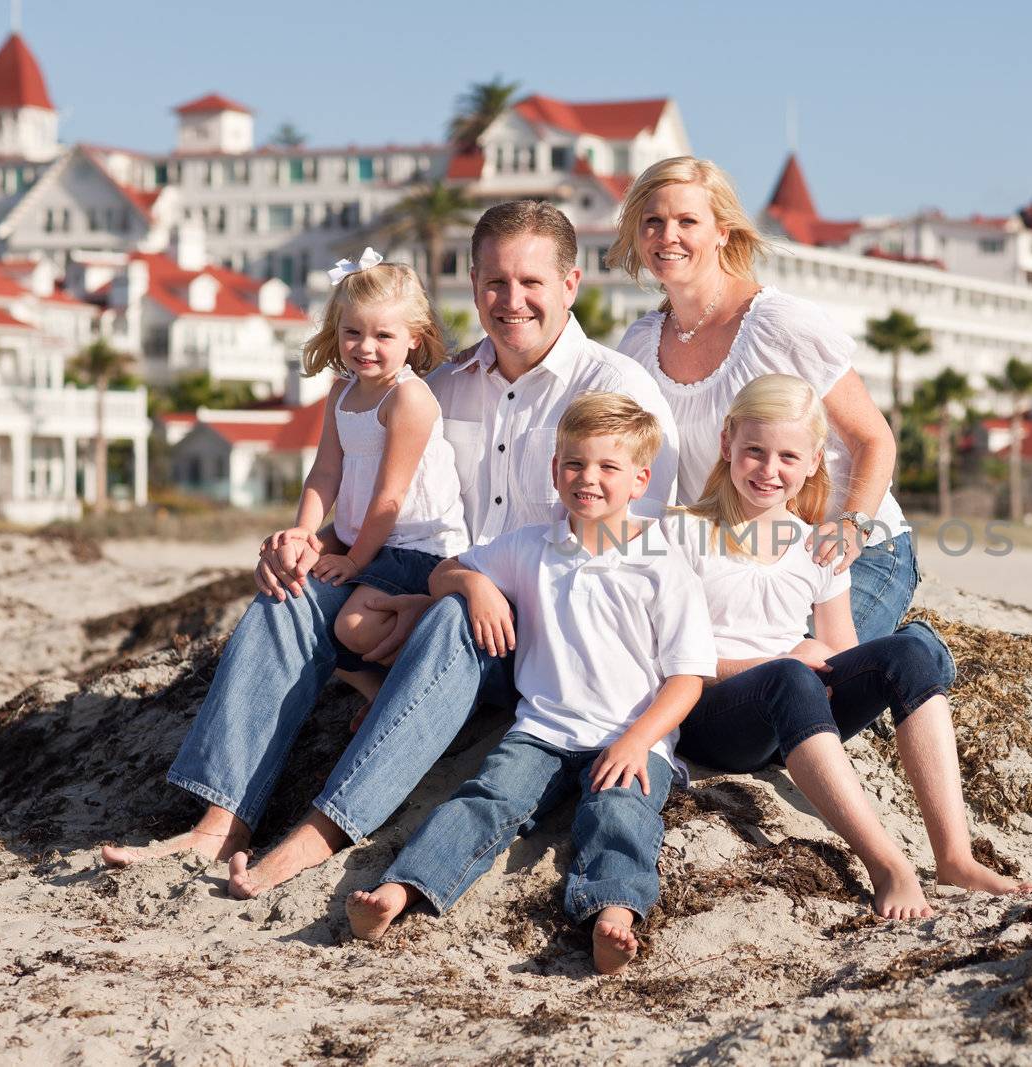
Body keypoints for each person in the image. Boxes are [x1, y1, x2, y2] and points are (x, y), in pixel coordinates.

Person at [101, 201, 678, 873]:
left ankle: (320, 830)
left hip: (533, 636)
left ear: (570, 284)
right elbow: (382, 501)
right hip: (428, 590)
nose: (510, 300)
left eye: (531, 283)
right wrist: (306, 541)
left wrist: (446, 596)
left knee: (457, 618)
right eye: (494, 282)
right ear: (471, 281)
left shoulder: (616, 391)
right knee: (290, 596)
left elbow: (630, 560)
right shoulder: (439, 386)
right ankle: (220, 818)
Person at [344, 393, 715, 975]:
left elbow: (687, 679)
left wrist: (638, 741)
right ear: (554, 470)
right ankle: (401, 892)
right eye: (574, 464)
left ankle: (613, 912)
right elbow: (444, 573)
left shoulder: (662, 565)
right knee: (485, 800)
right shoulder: (529, 546)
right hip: (541, 731)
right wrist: (477, 586)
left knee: (620, 813)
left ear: (642, 479)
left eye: (607, 468)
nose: (587, 479)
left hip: (631, 738)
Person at [668, 374, 1032, 919]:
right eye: (754, 451)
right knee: (791, 675)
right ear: (727, 445)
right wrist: (780, 660)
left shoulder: (814, 543)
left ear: (815, 461)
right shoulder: (681, 534)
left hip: (796, 716)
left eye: (788, 456)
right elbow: (670, 661)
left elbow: (840, 653)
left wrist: (816, 663)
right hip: (716, 719)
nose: (770, 470)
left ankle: (954, 856)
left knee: (911, 650)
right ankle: (889, 867)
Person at [609, 156, 944, 655]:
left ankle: (912, 655)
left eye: (687, 221)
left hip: (843, 553)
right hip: (730, 558)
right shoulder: (637, 346)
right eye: (652, 221)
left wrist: (852, 526)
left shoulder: (781, 325)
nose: (667, 235)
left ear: (723, 232)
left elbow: (873, 438)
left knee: (794, 669)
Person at [268, 252, 468, 716]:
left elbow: (390, 497)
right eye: (352, 332)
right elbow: (325, 472)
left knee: (354, 626)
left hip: (418, 546)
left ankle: (425, 679)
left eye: (383, 335)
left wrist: (354, 562)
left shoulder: (409, 398)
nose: (365, 347)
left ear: (413, 338)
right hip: (366, 542)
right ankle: (375, 690)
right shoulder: (341, 390)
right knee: (302, 598)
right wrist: (304, 532)